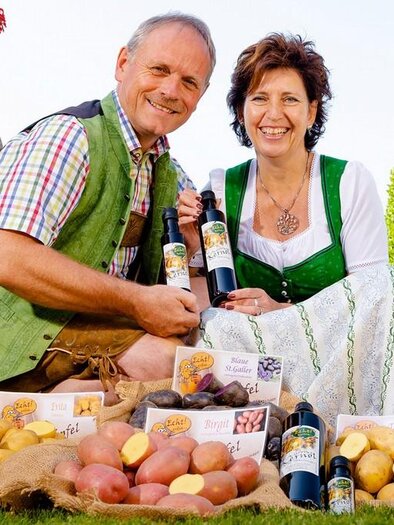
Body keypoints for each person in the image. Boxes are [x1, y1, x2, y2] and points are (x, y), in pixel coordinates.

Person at [0, 13, 215, 402]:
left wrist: (187, 251)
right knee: (166, 362)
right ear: (122, 64)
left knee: (201, 360)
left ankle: (66, 397)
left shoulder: (174, 178)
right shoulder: (69, 137)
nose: (170, 90)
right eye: (159, 69)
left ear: (200, 96)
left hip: (93, 329)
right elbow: (8, 256)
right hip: (17, 331)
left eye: (188, 82)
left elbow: (178, 295)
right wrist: (135, 301)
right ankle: (35, 400)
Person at [179, 33, 393, 426]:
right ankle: (247, 425)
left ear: (311, 113)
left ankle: (355, 427)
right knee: (214, 326)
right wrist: (191, 247)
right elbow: (194, 302)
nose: (273, 114)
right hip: (254, 363)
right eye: (259, 98)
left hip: (338, 359)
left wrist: (283, 313)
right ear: (242, 111)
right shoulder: (221, 189)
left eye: (289, 99)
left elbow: (372, 304)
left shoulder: (347, 182)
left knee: (385, 285)